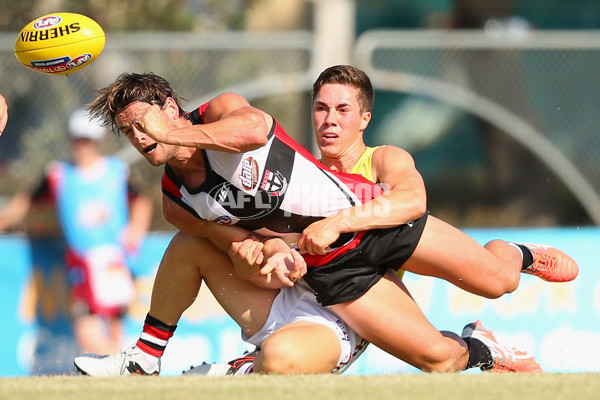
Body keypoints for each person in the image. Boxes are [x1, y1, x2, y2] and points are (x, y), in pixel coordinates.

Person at [73, 71, 557, 377]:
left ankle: (515, 252)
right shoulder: (176, 202)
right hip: (335, 270)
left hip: (373, 223)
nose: (141, 138)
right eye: (129, 131)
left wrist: (174, 131)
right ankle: (483, 347)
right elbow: (243, 245)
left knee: (499, 281)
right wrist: (269, 256)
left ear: (172, 108)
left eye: (146, 123)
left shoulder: (219, 113)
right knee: (437, 360)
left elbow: (252, 129)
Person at [0, 108, 153, 355]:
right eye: (79, 140)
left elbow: (142, 202)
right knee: (87, 330)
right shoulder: (59, 175)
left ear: (97, 141)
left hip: (115, 260)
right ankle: (125, 366)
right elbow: (23, 204)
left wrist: (134, 235)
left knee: (110, 326)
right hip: (83, 262)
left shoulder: (116, 171)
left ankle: (122, 368)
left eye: (88, 140)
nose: (83, 146)